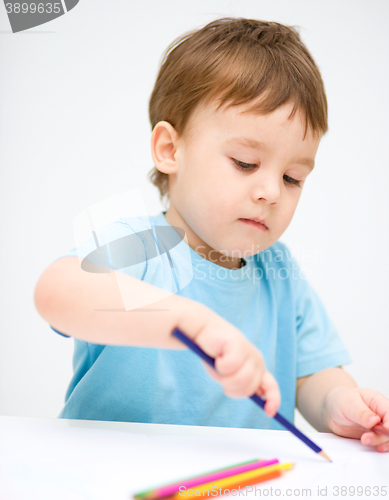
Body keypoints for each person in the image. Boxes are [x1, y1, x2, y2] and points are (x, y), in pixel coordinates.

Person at [34, 17, 389, 452]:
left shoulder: (280, 271)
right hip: (108, 480)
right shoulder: (142, 246)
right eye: (244, 162)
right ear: (170, 150)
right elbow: (56, 291)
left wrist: (340, 403)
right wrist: (188, 324)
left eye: (293, 177)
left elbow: (311, 375)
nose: (271, 192)